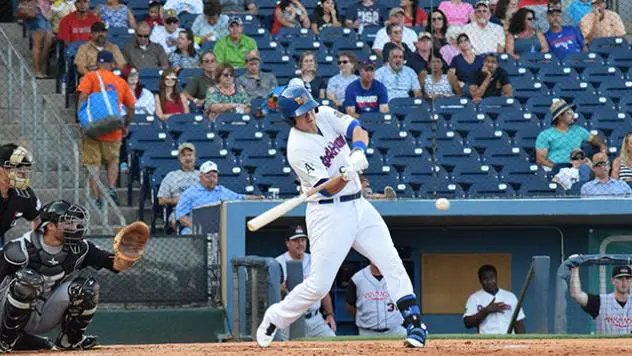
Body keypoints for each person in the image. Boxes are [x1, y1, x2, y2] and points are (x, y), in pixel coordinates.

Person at [255, 85, 428, 349]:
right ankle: (275, 317)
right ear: (291, 119)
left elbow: (357, 129)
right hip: (328, 212)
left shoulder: (323, 113)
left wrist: (358, 151)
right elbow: (329, 186)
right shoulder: (297, 148)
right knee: (319, 285)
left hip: (359, 204)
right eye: (303, 114)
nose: (310, 116)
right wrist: (347, 172)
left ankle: (414, 323)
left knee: (390, 259)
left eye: (309, 109)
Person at [0, 200, 140, 352]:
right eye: (68, 223)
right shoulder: (18, 248)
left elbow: (116, 264)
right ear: (50, 226)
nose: (75, 227)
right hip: (4, 311)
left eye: (75, 223)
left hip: (43, 312)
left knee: (87, 289)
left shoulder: (80, 249)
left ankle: (70, 340)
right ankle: (5, 340)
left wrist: (129, 254)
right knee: (29, 280)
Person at [77, 51, 136, 207]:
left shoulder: (90, 77)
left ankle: (96, 199)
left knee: (93, 164)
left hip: (92, 129)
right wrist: (126, 125)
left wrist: (81, 120)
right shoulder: (120, 82)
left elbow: (82, 97)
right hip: (113, 128)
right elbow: (131, 107)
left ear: (97, 63)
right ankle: (111, 189)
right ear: (112, 64)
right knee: (112, 161)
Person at [275, 225, 336, 340]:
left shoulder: (315, 260)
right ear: (287, 243)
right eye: (295, 240)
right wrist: (281, 288)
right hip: (290, 320)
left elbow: (324, 291)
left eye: (303, 240)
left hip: (315, 319)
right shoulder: (278, 263)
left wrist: (329, 314)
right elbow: (270, 296)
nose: (300, 244)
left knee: (333, 344)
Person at [176, 161, 261, 234]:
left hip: (220, 228)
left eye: (214, 176)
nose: (212, 179)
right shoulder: (190, 193)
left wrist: (259, 198)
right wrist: (195, 227)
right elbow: (180, 215)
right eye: (208, 176)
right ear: (200, 176)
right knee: (187, 233)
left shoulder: (222, 190)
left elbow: (241, 198)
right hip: (197, 229)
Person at [535, 99, 607, 171]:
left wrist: (602, 145)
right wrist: (559, 168)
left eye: (573, 112)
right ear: (560, 117)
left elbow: (593, 138)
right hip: (554, 169)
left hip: (575, 168)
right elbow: (541, 159)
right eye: (569, 113)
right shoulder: (545, 135)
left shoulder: (578, 130)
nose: (573, 115)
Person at [346, 263, 407, 336]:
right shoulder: (357, 278)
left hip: (396, 330)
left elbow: (406, 301)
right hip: (367, 332)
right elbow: (350, 306)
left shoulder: (397, 276)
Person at [463, 265, 526, 334]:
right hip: (486, 342)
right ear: (480, 281)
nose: (489, 281)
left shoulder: (510, 296)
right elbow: (467, 323)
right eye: (485, 279)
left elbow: (518, 323)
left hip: (509, 341)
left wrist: (523, 342)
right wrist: (486, 311)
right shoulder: (474, 298)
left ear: (496, 277)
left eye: (492, 277)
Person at [570, 264, 632, 334]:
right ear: (613, 281)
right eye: (620, 278)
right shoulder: (600, 301)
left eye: (627, 278)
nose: (624, 282)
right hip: (607, 345)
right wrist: (575, 269)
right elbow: (577, 295)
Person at [0, 145, 41, 245]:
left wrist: (37, 248)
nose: (23, 171)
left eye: (24, 167)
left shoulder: (24, 193)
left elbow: (37, 218)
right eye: (17, 166)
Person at [157, 143, 199, 231]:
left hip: (199, 210)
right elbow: (161, 200)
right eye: (184, 155)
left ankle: (197, 230)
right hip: (181, 210)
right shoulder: (171, 176)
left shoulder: (201, 176)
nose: (187, 158)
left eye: (190, 155)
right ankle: (196, 230)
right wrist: (174, 200)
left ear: (195, 157)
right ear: (179, 159)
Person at [22, 0, 53, 78]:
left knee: (48, 42)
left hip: (45, 12)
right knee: (37, 43)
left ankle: (39, 68)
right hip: (36, 10)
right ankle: (37, 71)